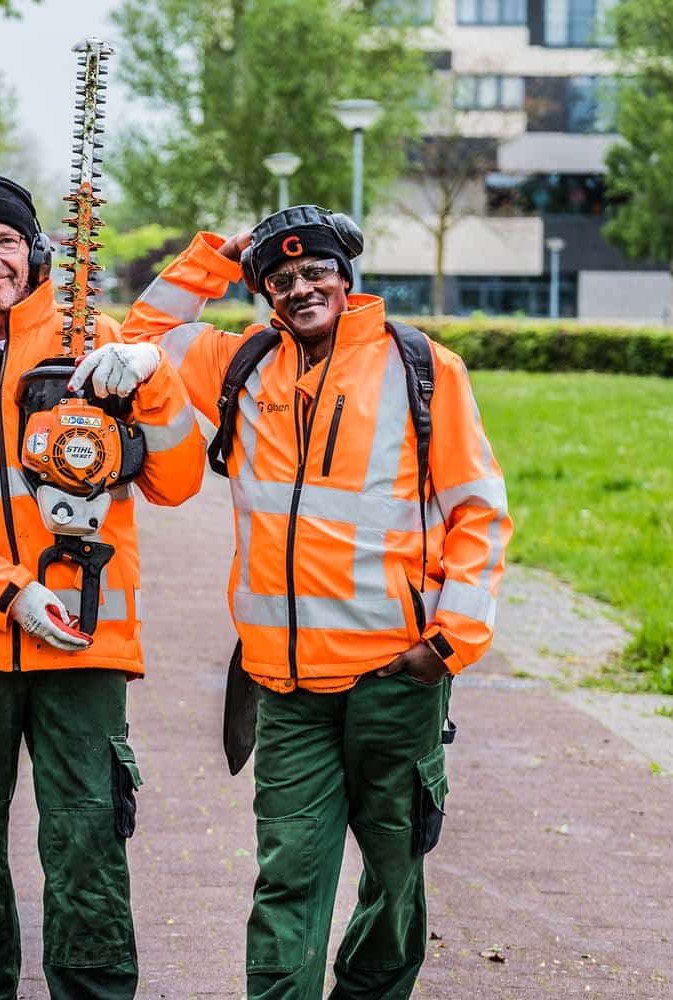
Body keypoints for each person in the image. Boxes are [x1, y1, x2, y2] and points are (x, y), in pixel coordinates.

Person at [120, 205, 513, 1000]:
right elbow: (142, 334)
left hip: (395, 679)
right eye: (283, 277)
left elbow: (478, 511)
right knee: (289, 878)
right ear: (264, 290)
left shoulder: (422, 368)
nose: (302, 288)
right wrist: (215, 255)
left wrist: (449, 641)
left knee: (396, 876)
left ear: (346, 276)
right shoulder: (243, 364)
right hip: (284, 688)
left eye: (316, 272)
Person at [0, 175, 206, 999]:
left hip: (86, 643)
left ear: (37, 252)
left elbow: (180, 479)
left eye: (7, 243)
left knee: (87, 839)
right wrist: (6, 587)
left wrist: (153, 378)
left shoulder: (101, 340)